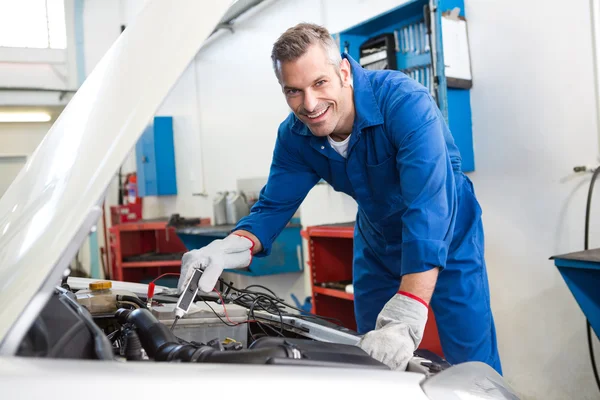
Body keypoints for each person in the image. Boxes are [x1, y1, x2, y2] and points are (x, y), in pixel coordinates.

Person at [179, 22, 502, 374]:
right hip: (377, 239)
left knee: (472, 359)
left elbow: (429, 207)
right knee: (371, 354)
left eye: (319, 83)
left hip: (448, 230)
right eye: (294, 91)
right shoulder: (294, 136)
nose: (310, 104)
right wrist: (227, 248)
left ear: (344, 72)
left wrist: (409, 308)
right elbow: (272, 208)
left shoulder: (405, 104)